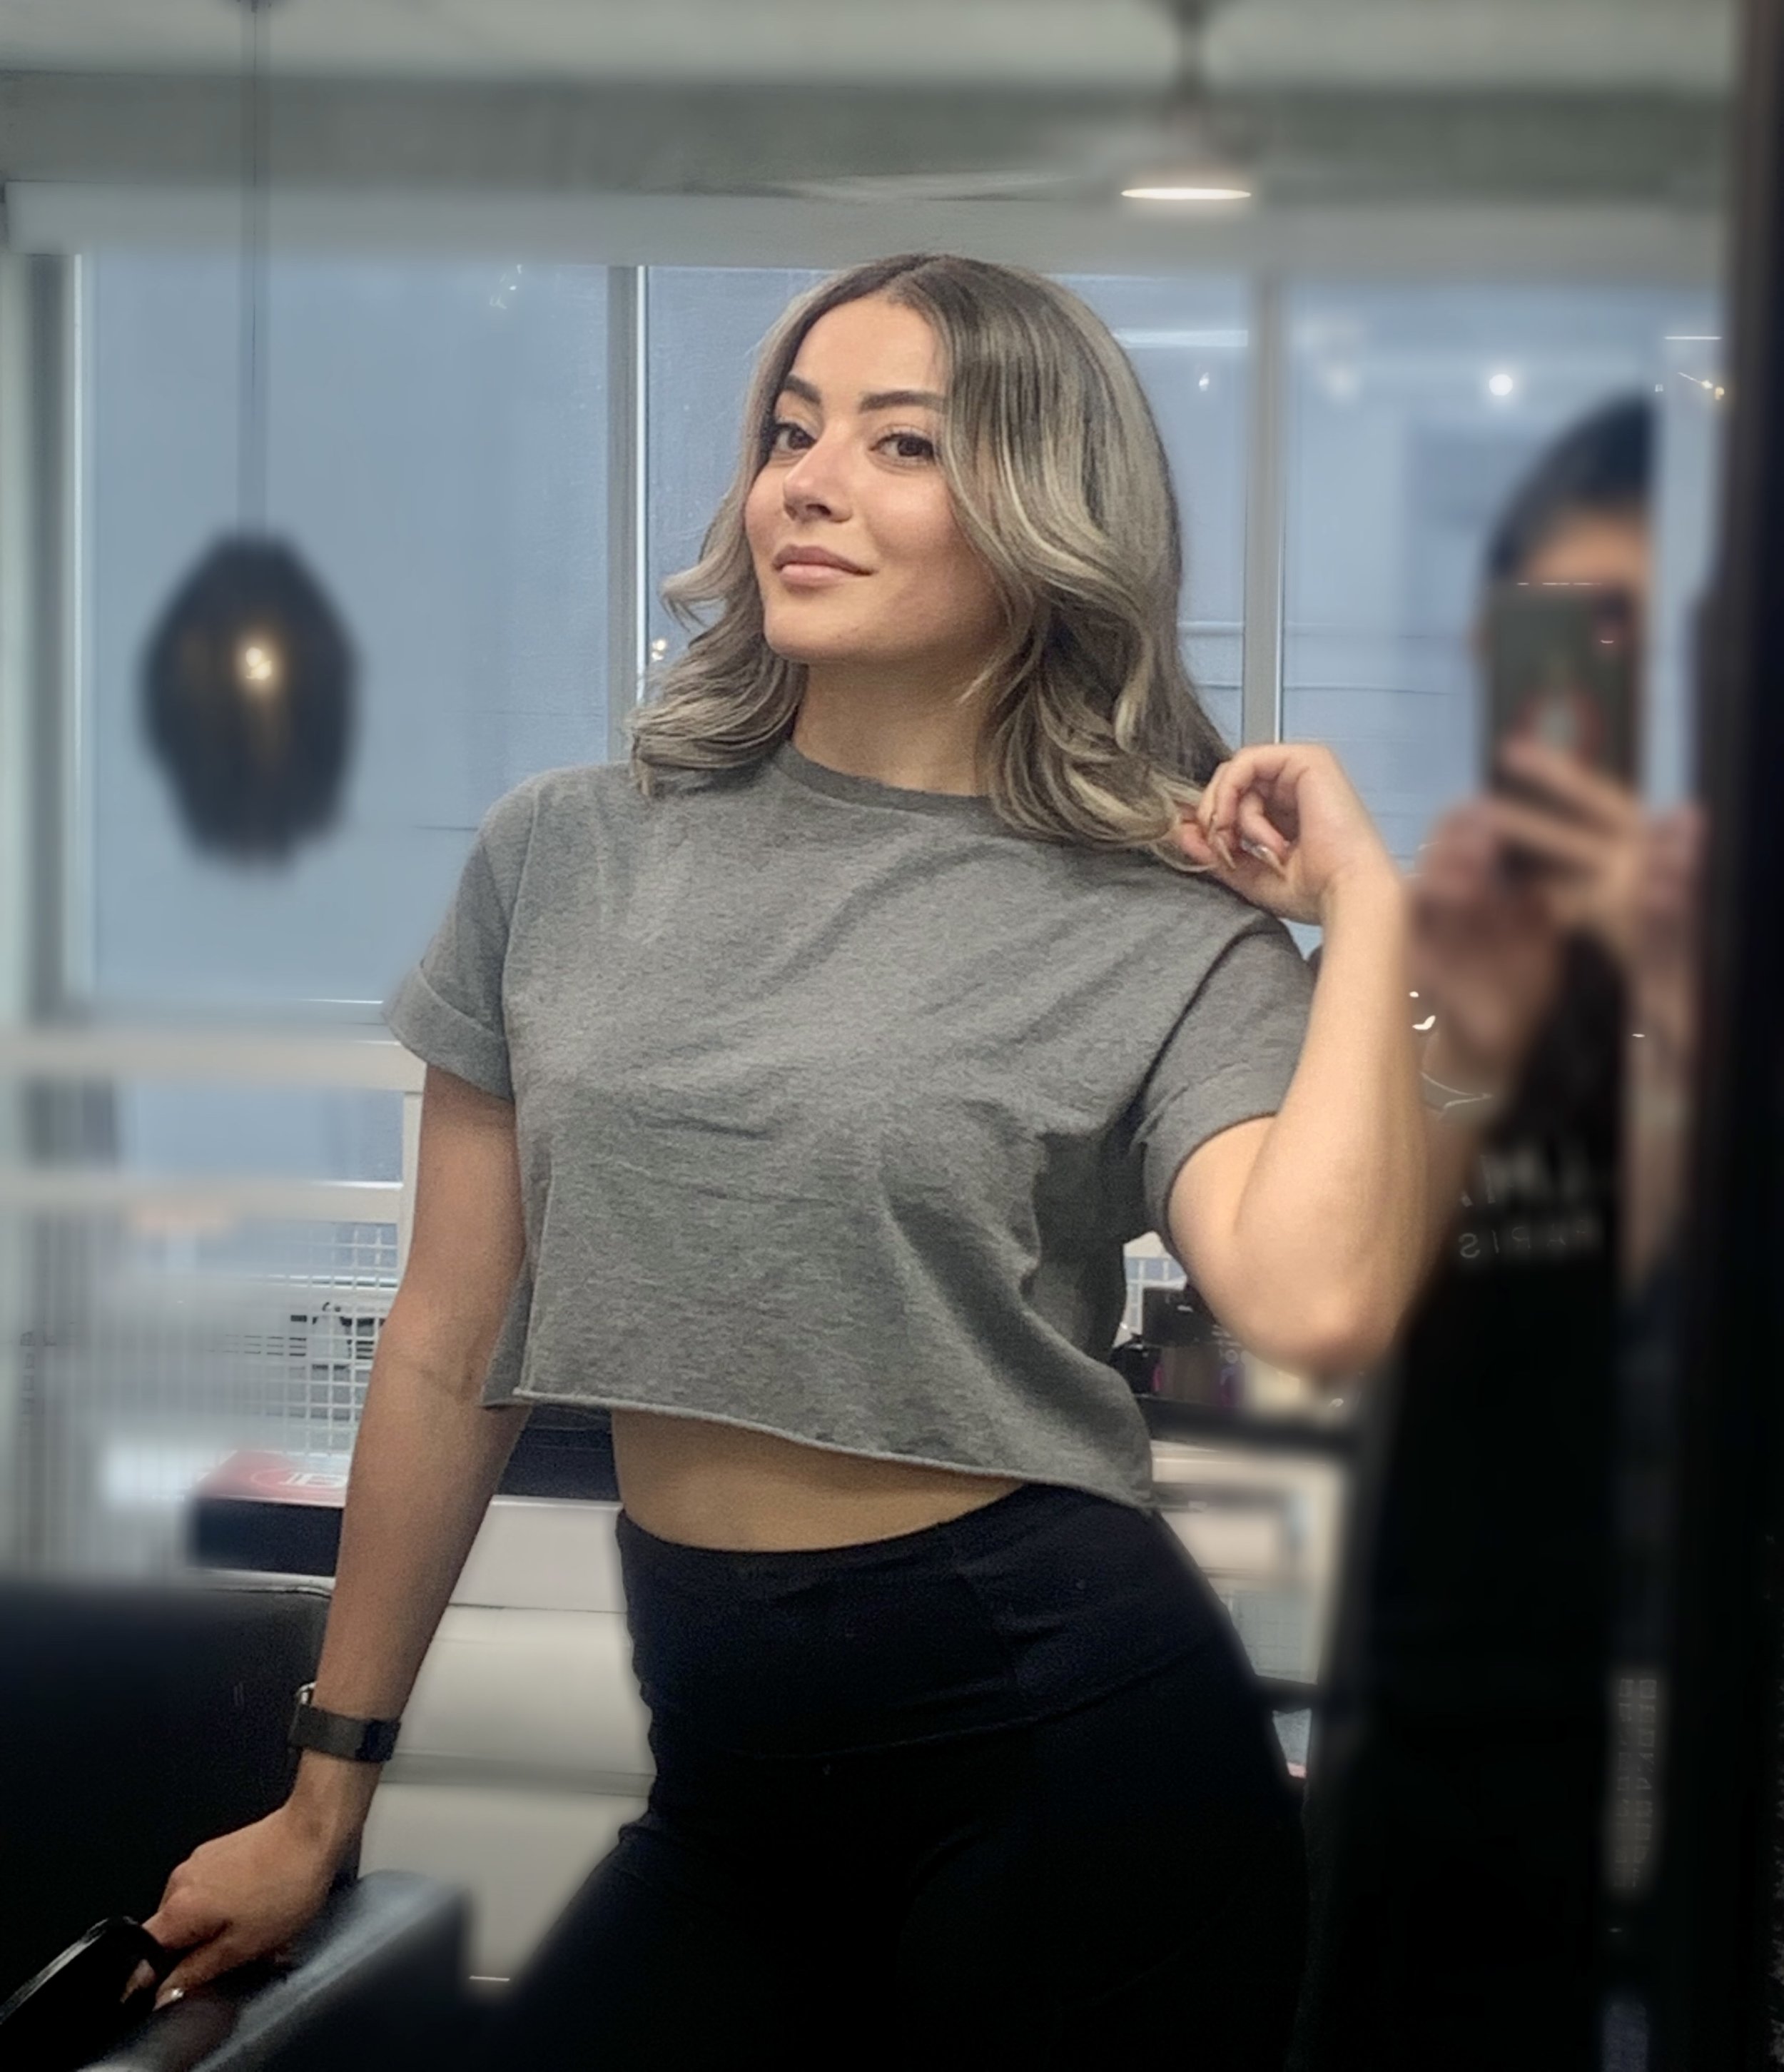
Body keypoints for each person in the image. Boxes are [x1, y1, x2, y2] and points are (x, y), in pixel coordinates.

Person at [137, 255, 1431, 2068]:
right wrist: (323, 1795)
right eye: (789, 429)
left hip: (1065, 1767)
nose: (803, 483)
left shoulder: (1163, 916)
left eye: (900, 443)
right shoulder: (565, 854)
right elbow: (444, 1344)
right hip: (731, 1786)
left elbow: (1320, 1295)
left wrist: (1364, 906)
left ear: (1042, 516)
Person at [1292, 396, 1662, 2071]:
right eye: (1573, 632)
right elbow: (1357, 1311)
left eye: (1660, 640)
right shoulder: (1463, 932)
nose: (1617, 692)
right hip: (1434, 1735)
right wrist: (1460, 1038)